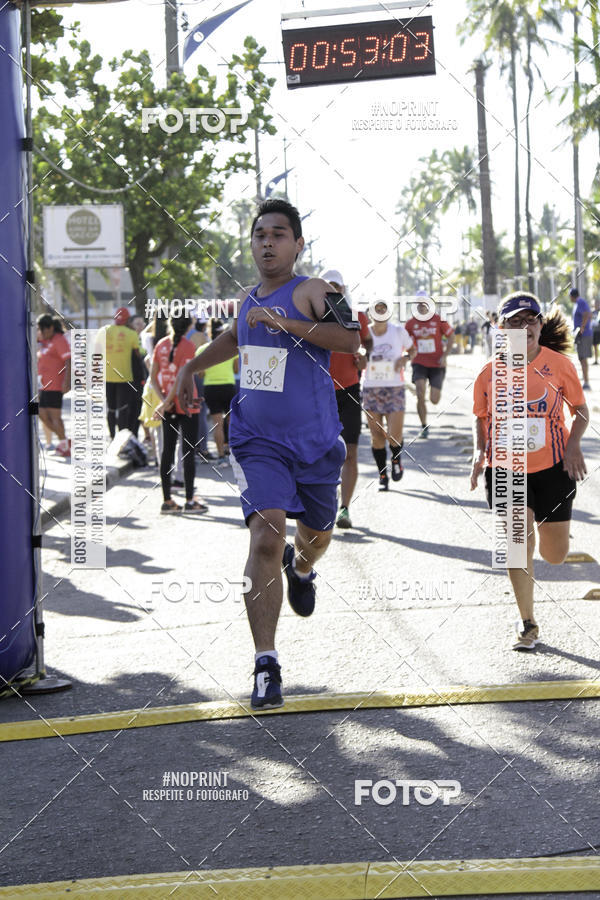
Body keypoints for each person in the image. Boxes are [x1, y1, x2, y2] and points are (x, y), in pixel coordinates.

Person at [177, 198, 359, 709]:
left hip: (317, 444)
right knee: (264, 536)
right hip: (257, 439)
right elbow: (234, 339)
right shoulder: (248, 300)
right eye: (260, 234)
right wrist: (190, 368)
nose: (267, 242)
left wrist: (290, 326)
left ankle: (301, 570)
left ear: (298, 244)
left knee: (316, 537)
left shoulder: (315, 290)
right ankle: (266, 665)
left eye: (279, 234)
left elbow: (349, 339)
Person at [471, 293, 588, 650]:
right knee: (517, 544)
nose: (525, 327)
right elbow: (481, 415)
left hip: (553, 467)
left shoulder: (559, 365)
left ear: (540, 325)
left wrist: (572, 445)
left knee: (555, 555)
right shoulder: (489, 373)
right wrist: (479, 452)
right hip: (506, 469)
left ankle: (544, 534)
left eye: (531, 320)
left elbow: (581, 411)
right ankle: (527, 623)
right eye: (515, 321)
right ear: (502, 328)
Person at [322, 268, 372, 528]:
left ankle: (344, 509)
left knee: (350, 452)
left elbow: (367, 342)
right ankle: (321, 504)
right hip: (318, 392)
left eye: (336, 287)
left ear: (343, 290)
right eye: (327, 286)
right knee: (320, 452)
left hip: (349, 391)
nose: (332, 291)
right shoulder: (311, 317)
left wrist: (364, 356)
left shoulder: (356, 316)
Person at [153, 313, 208, 514]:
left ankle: (167, 500)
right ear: (189, 325)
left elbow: (153, 377)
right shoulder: (188, 347)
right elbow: (181, 377)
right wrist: (165, 402)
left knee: (167, 451)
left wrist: (163, 401)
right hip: (187, 404)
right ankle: (189, 500)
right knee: (188, 453)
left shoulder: (160, 345)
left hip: (169, 407)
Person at [362, 301, 415, 490]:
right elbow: (357, 356)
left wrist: (405, 358)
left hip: (394, 388)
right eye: (377, 309)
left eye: (384, 309)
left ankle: (396, 458)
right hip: (371, 389)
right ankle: (382, 474)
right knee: (377, 437)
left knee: (394, 435)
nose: (380, 312)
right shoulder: (364, 333)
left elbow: (412, 350)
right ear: (370, 313)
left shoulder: (398, 332)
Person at [405, 297, 454, 438]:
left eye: (424, 304)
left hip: (437, 363)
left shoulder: (439, 320)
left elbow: (451, 336)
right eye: (418, 305)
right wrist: (406, 356)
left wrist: (445, 355)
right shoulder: (410, 323)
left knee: (434, 399)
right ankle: (423, 426)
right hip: (419, 362)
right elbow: (403, 340)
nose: (421, 307)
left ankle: (432, 394)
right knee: (420, 392)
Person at [195, 319, 238, 467]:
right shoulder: (231, 349)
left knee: (217, 424)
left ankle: (221, 457)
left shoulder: (202, 350)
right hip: (228, 386)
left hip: (211, 388)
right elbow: (236, 370)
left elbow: (200, 374)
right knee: (232, 422)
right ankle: (233, 454)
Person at [37, 314, 71, 458]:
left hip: (55, 385)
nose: (42, 333)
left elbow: (68, 361)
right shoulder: (46, 340)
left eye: (44, 330)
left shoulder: (59, 340)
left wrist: (67, 382)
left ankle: (64, 443)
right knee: (41, 413)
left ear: (50, 328)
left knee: (55, 417)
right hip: (43, 385)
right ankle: (65, 441)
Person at [104, 307, 141, 439]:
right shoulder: (131, 334)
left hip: (107, 376)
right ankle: (121, 439)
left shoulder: (105, 331)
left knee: (111, 409)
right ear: (128, 320)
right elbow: (137, 355)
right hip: (125, 376)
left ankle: (112, 436)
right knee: (123, 408)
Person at [570, 286, 592, 390]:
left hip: (584, 335)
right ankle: (585, 380)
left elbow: (587, 313)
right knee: (581, 358)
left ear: (572, 296)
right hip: (580, 335)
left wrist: (582, 328)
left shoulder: (580, 302)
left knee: (583, 358)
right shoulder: (577, 303)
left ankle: (586, 382)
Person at [592, 301, 600, 365]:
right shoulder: (592, 312)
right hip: (595, 331)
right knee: (595, 346)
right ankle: (596, 360)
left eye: (597, 304)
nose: (596, 305)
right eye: (595, 304)